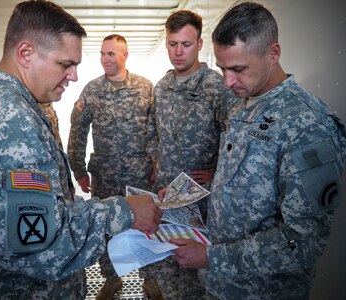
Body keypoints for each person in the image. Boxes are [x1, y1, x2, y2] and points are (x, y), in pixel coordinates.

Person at [0, 1, 161, 299]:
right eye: (65, 64)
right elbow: (40, 246)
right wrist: (125, 210)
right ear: (26, 53)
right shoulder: (6, 123)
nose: (73, 76)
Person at [169, 2, 346, 300]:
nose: (228, 81)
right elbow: (244, 185)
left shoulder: (306, 124)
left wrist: (212, 257)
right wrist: (185, 197)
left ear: (273, 54)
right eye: (222, 69)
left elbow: (303, 241)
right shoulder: (244, 103)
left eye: (238, 69)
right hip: (222, 285)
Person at [150, 10, 237, 300]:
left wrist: (217, 174)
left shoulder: (217, 87)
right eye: (172, 44)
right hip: (166, 195)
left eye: (185, 44)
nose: (178, 52)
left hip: (201, 201)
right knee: (167, 269)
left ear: (200, 45)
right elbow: (154, 130)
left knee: (197, 279)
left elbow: (234, 139)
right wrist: (155, 160)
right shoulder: (162, 87)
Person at [67, 34, 162, 299]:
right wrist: (78, 170)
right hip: (104, 175)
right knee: (105, 227)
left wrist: (157, 161)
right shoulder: (92, 89)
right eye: (102, 53)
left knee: (148, 226)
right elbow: (78, 131)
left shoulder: (145, 87)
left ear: (125, 55)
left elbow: (156, 129)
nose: (105, 59)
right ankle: (111, 280)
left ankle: (150, 281)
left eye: (111, 53)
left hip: (140, 176)